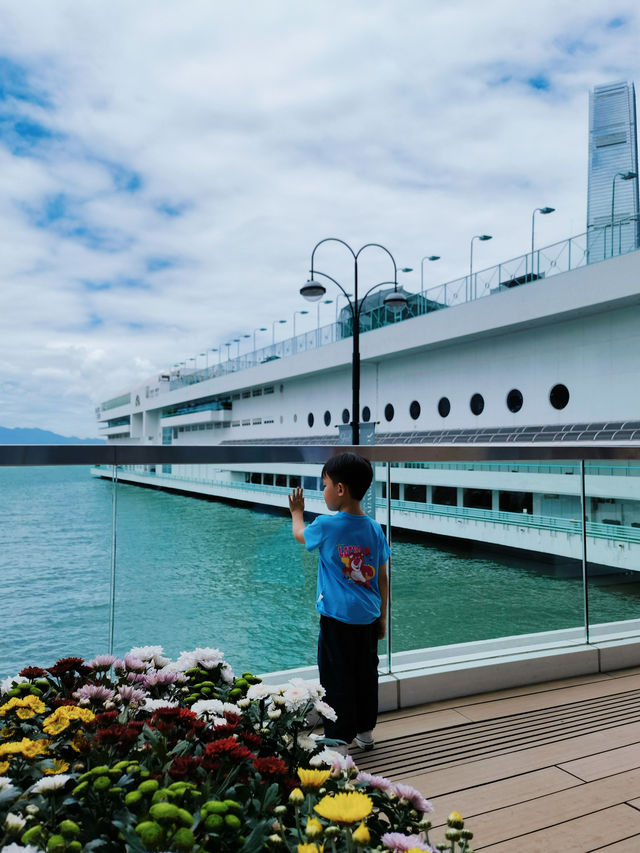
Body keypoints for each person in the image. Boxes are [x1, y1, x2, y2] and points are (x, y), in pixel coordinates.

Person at [288, 452, 390, 752]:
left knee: (335, 678)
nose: (324, 491)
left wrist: (296, 511)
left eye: (325, 485)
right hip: (369, 618)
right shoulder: (373, 528)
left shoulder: (327, 525)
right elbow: (382, 576)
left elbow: (300, 535)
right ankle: (365, 731)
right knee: (365, 675)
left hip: (337, 620)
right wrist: (383, 616)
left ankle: (337, 740)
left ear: (341, 489)